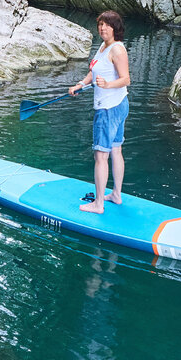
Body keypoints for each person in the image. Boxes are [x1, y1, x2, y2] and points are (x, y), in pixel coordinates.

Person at [69, 11, 130, 214]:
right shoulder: (103, 47)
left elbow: (126, 79)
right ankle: (116, 195)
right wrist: (80, 84)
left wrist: (107, 84)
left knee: (101, 156)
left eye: (107, 25)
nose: (103, 28)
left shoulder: (117, 50)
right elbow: (93, 72)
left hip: (108, 109)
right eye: (101, 24)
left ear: (115, 28)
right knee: (115, 150)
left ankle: (98, 204)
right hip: (117, 105)